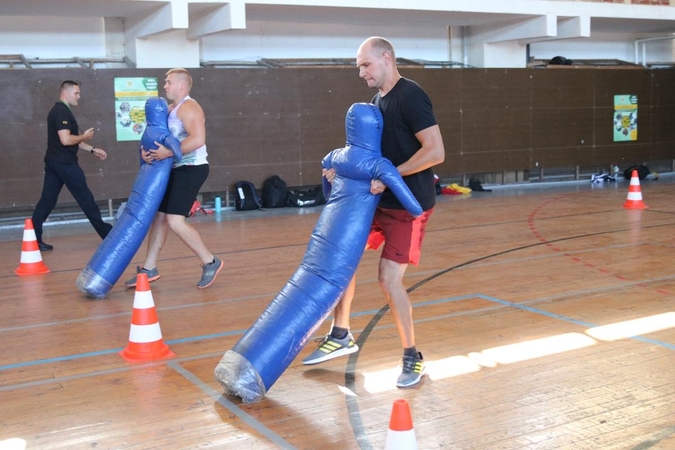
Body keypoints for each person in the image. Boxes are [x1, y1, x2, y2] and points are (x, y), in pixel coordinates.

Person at [303, 37, 445, 388]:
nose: (361, 72)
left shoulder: (411, 96)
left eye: (365, 65)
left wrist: (391, 176)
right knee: (344, 258)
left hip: (409, 206)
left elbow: (435, 152)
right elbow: (371, 160)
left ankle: (413, 357)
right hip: (379, 200)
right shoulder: (375, 102)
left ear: (386, 58)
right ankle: (340, 333)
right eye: (359, 67)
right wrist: (343, 173)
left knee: (387, 278)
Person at [124, 68, 223, 289]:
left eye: (169, 82)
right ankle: (149, 268)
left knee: (174, 220)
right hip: (175, 168)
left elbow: (198, 139)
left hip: (192, 168)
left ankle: (210, 261)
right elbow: (159, 139)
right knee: (159, 218)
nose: (165, 86)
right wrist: (147, 152)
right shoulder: (170, 110)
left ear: (181, 85)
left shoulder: (190, 107)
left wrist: (167, 153)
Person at [32, 80, 113, 251]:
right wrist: (84, 137)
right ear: (65, 93)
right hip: (65, 164)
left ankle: (34, 239)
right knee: (86, 199)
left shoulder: (61, 110)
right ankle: (108, 235)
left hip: (55, 163)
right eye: (76, 93)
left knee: (47, 201)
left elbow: (71, 140)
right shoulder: (61, 111)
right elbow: (66, 139)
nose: (79, 96)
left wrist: (92, 149)